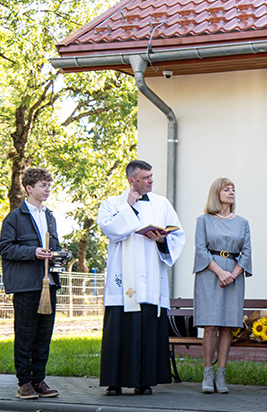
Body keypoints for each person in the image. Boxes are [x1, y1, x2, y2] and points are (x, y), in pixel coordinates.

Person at [97, 160, 185, 395]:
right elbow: (110, 230)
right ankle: (114, 382)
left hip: (150, 280)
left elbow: (178, 234)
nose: (151, 180)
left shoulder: (162, 204)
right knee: (120, 332)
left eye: (151, 176)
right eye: (145, 177)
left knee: (147, 330)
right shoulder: (112, 204)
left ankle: (144, 381)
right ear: (131, 180)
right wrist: (128, 206)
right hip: (122, 281)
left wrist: (162, 240)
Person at [0, 167, 62, 400]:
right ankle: (24, 382)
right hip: (26, 286)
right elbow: (5, 248)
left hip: (49, 285)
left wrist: (58, 255)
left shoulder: (50, 216)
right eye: (43, 186)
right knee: (25, 333)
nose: (47, 190)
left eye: (48, 185)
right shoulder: (14, 218)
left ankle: (39, 380)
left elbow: (52, 248)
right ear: (29, 188)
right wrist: (33, 252)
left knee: (44, 334)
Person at [192, 178, 252, 394]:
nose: (231, 192)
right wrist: (220, 272)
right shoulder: (204, 220)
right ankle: (207, 373)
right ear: (216, 194)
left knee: (227, 326)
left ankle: (221, 374)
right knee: (211, 325)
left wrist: (233, 274)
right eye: (226, 189)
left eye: (233, 189)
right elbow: (200, 249)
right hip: (210, 274)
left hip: (234, 276)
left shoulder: (242, 222)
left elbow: (246, 251)